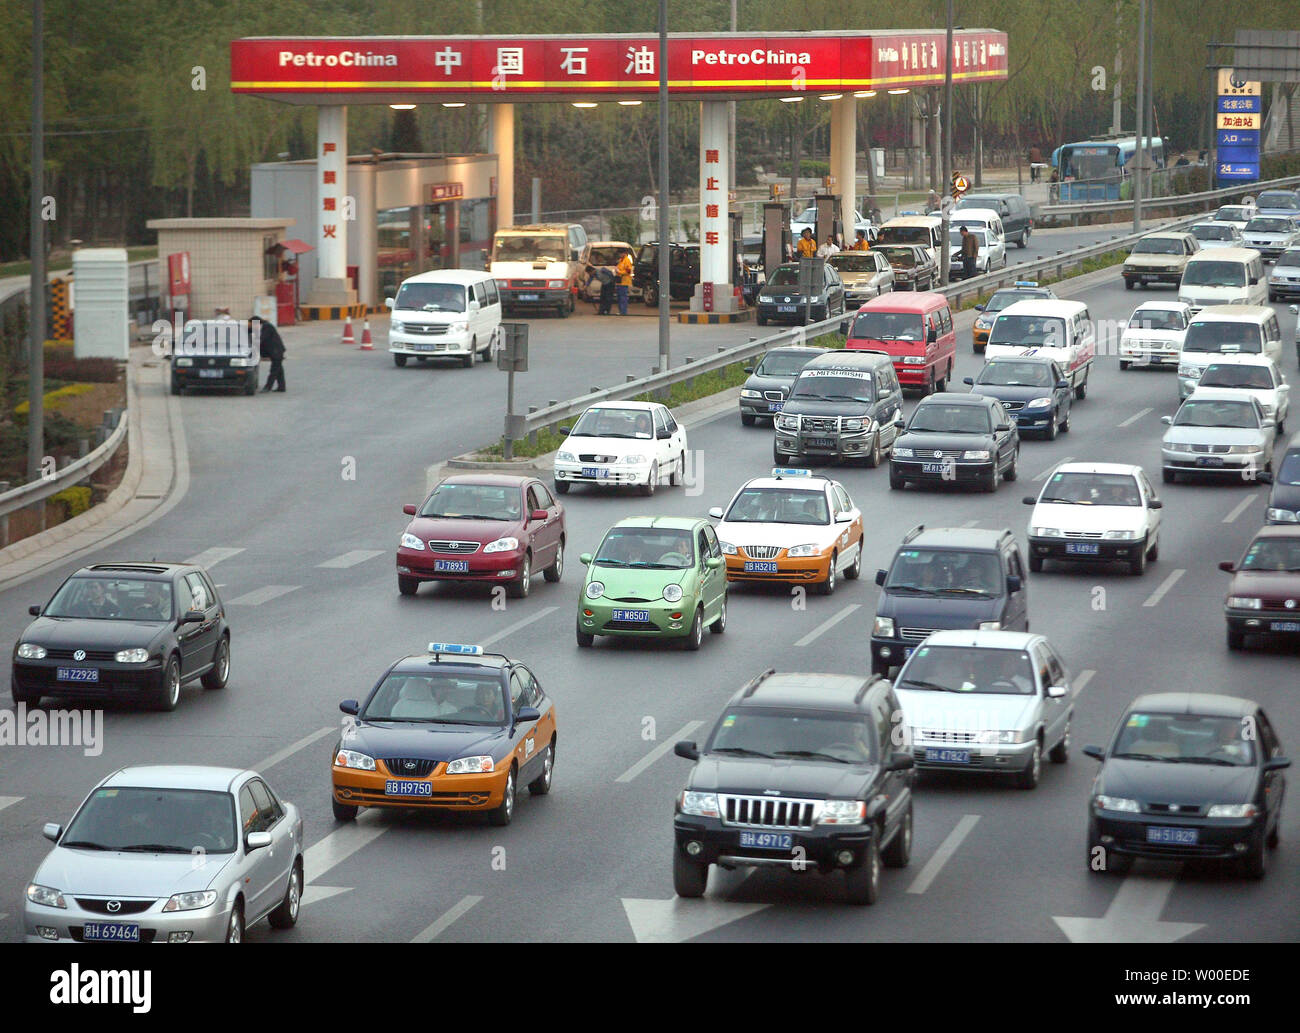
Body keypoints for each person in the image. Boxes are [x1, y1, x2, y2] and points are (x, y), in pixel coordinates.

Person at [255, 317, 286, 393]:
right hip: (275, 351)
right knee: (279, 370)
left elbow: (262, 339)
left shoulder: (267, 326)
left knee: (274, 370)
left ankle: (267, 387)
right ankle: (281, 387)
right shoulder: (265, 326)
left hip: (276, 351)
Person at [615, 248, 634, 316]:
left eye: (620, 253)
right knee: (620, 297)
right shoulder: (621, 260)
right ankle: (621, 311)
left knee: (623, 297)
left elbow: (628, 271)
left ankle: (623, 311)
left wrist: (619, 272)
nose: (619, 255)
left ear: (624, 253)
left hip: (624, 281)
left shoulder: (627, 261)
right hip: (620, 281)